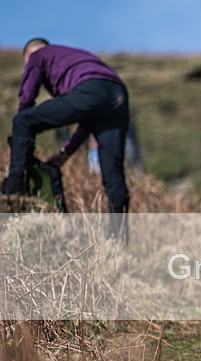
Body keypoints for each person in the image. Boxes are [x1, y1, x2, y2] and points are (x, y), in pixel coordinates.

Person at [1, 38, 130, 238]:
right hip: (118, 93)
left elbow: (27, 97)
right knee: (113, 175)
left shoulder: (37, 55)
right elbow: (88, 120)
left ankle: (13, 192)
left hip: (90, 89)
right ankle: (118, 240)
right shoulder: (75, 56)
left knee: (22, 121)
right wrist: (65, 153)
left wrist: (22, 129)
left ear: (29, 55)